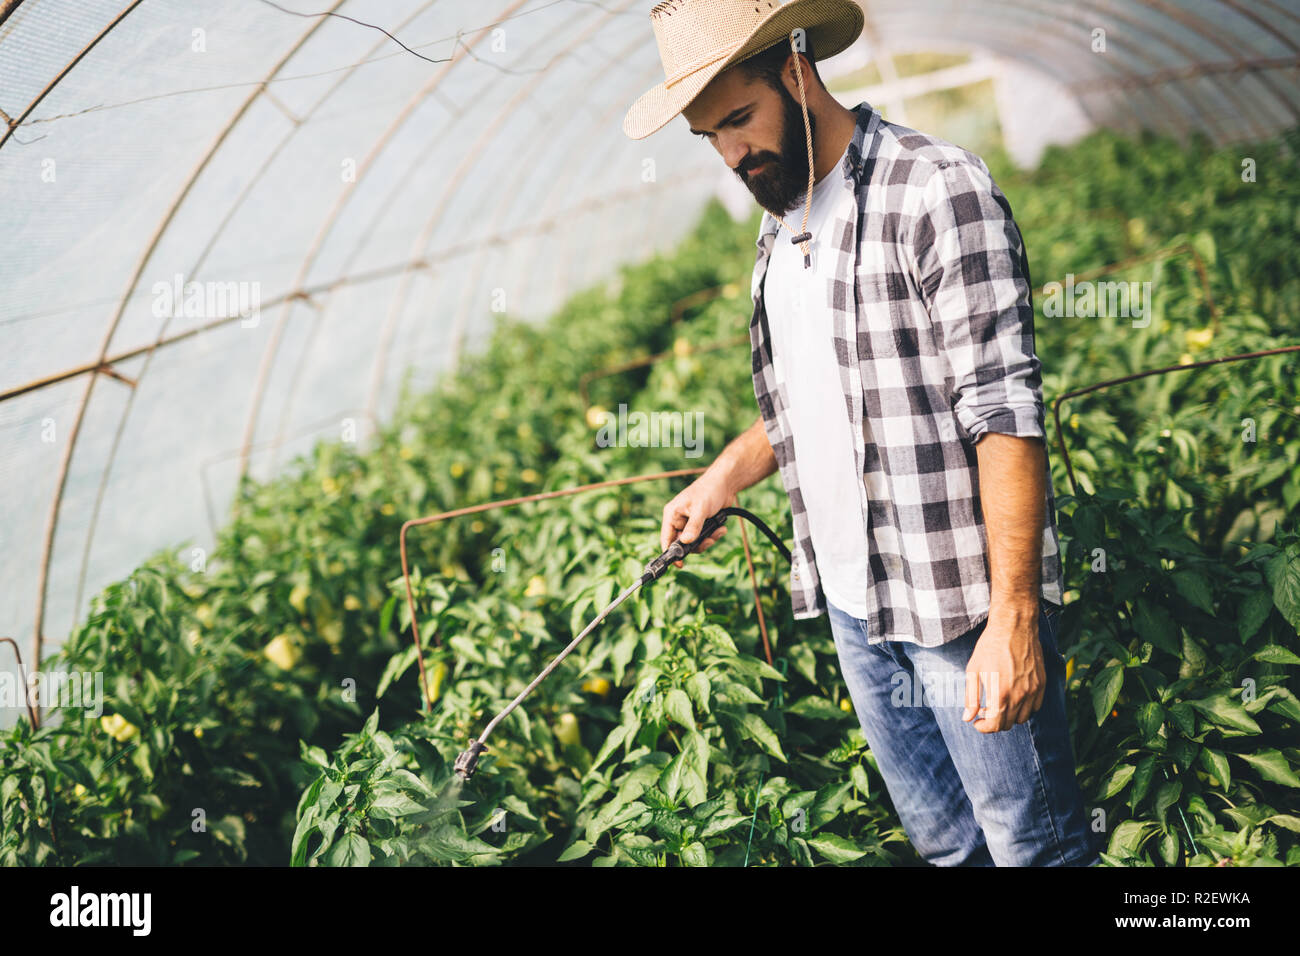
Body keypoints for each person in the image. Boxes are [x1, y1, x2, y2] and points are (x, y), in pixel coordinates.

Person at [624, 0, 1101, 866]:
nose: (733, 154)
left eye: (740, 119)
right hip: (853, 600)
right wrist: (726, 474)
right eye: (710, 137)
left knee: (1031, 842)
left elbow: (1004, 411)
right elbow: (822, 396)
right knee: (947, 844)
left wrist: (1016, 615)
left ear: (798, 71)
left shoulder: (935, 190)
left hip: (957, 603)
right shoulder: (783, 217)